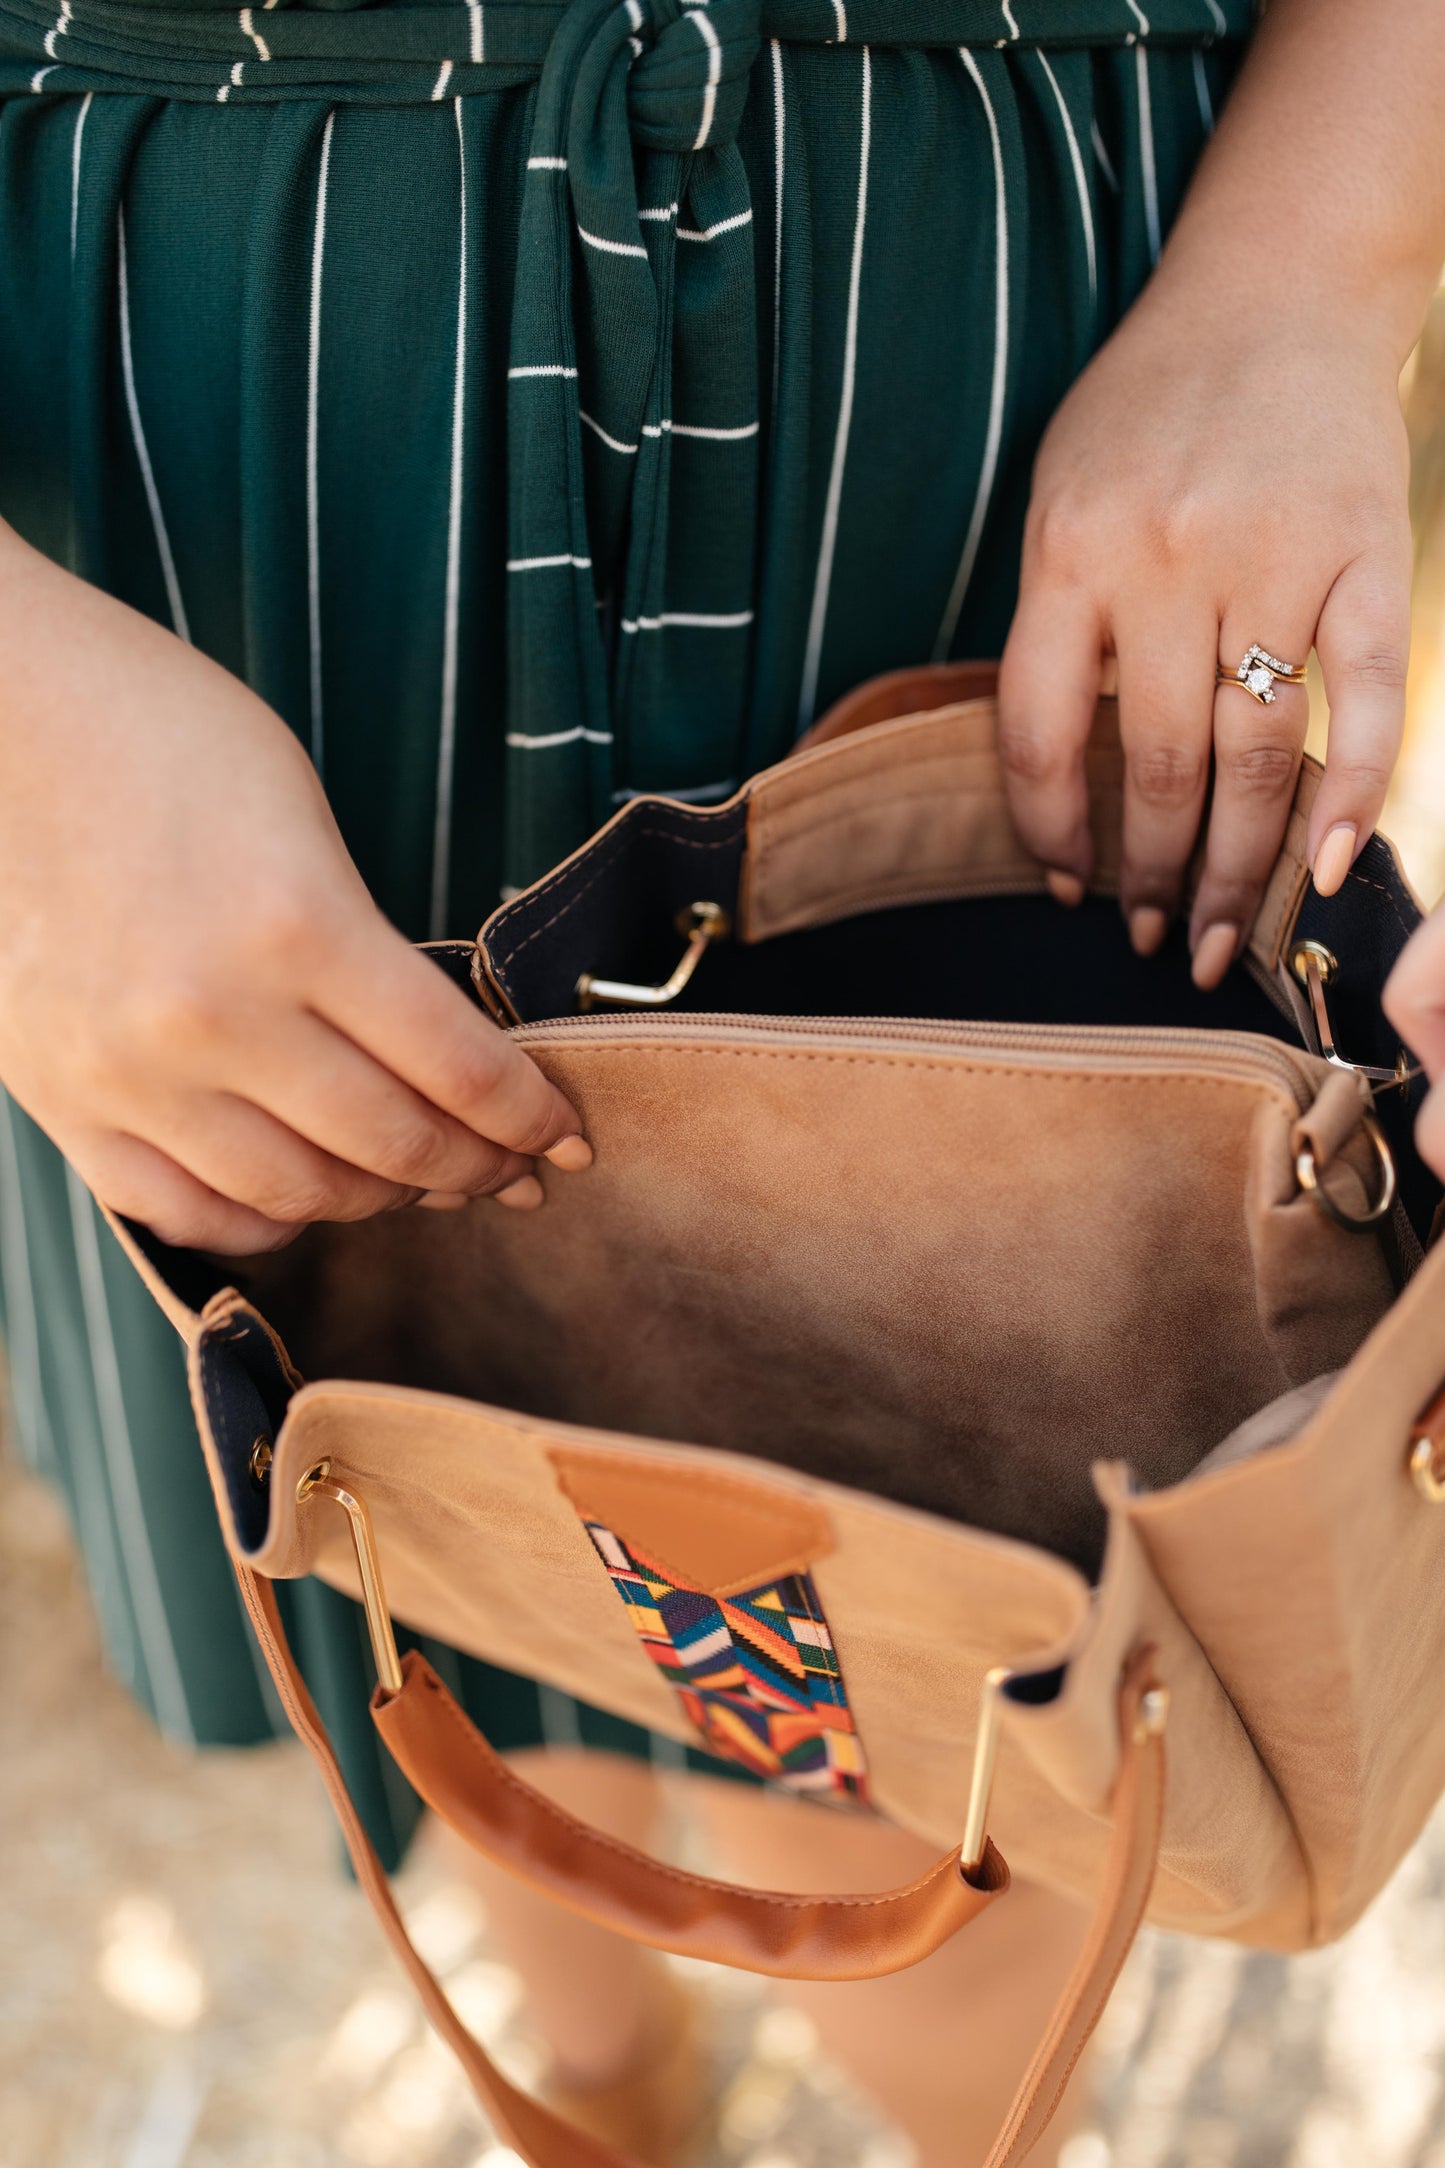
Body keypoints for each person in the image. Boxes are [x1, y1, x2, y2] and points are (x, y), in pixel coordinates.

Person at [2, 0, 1444, 2160]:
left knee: (1012, 1692)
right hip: (207, 502)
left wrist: (1310, 267)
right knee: (425, 1509)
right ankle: (602, 2085)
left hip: (1018, 388)